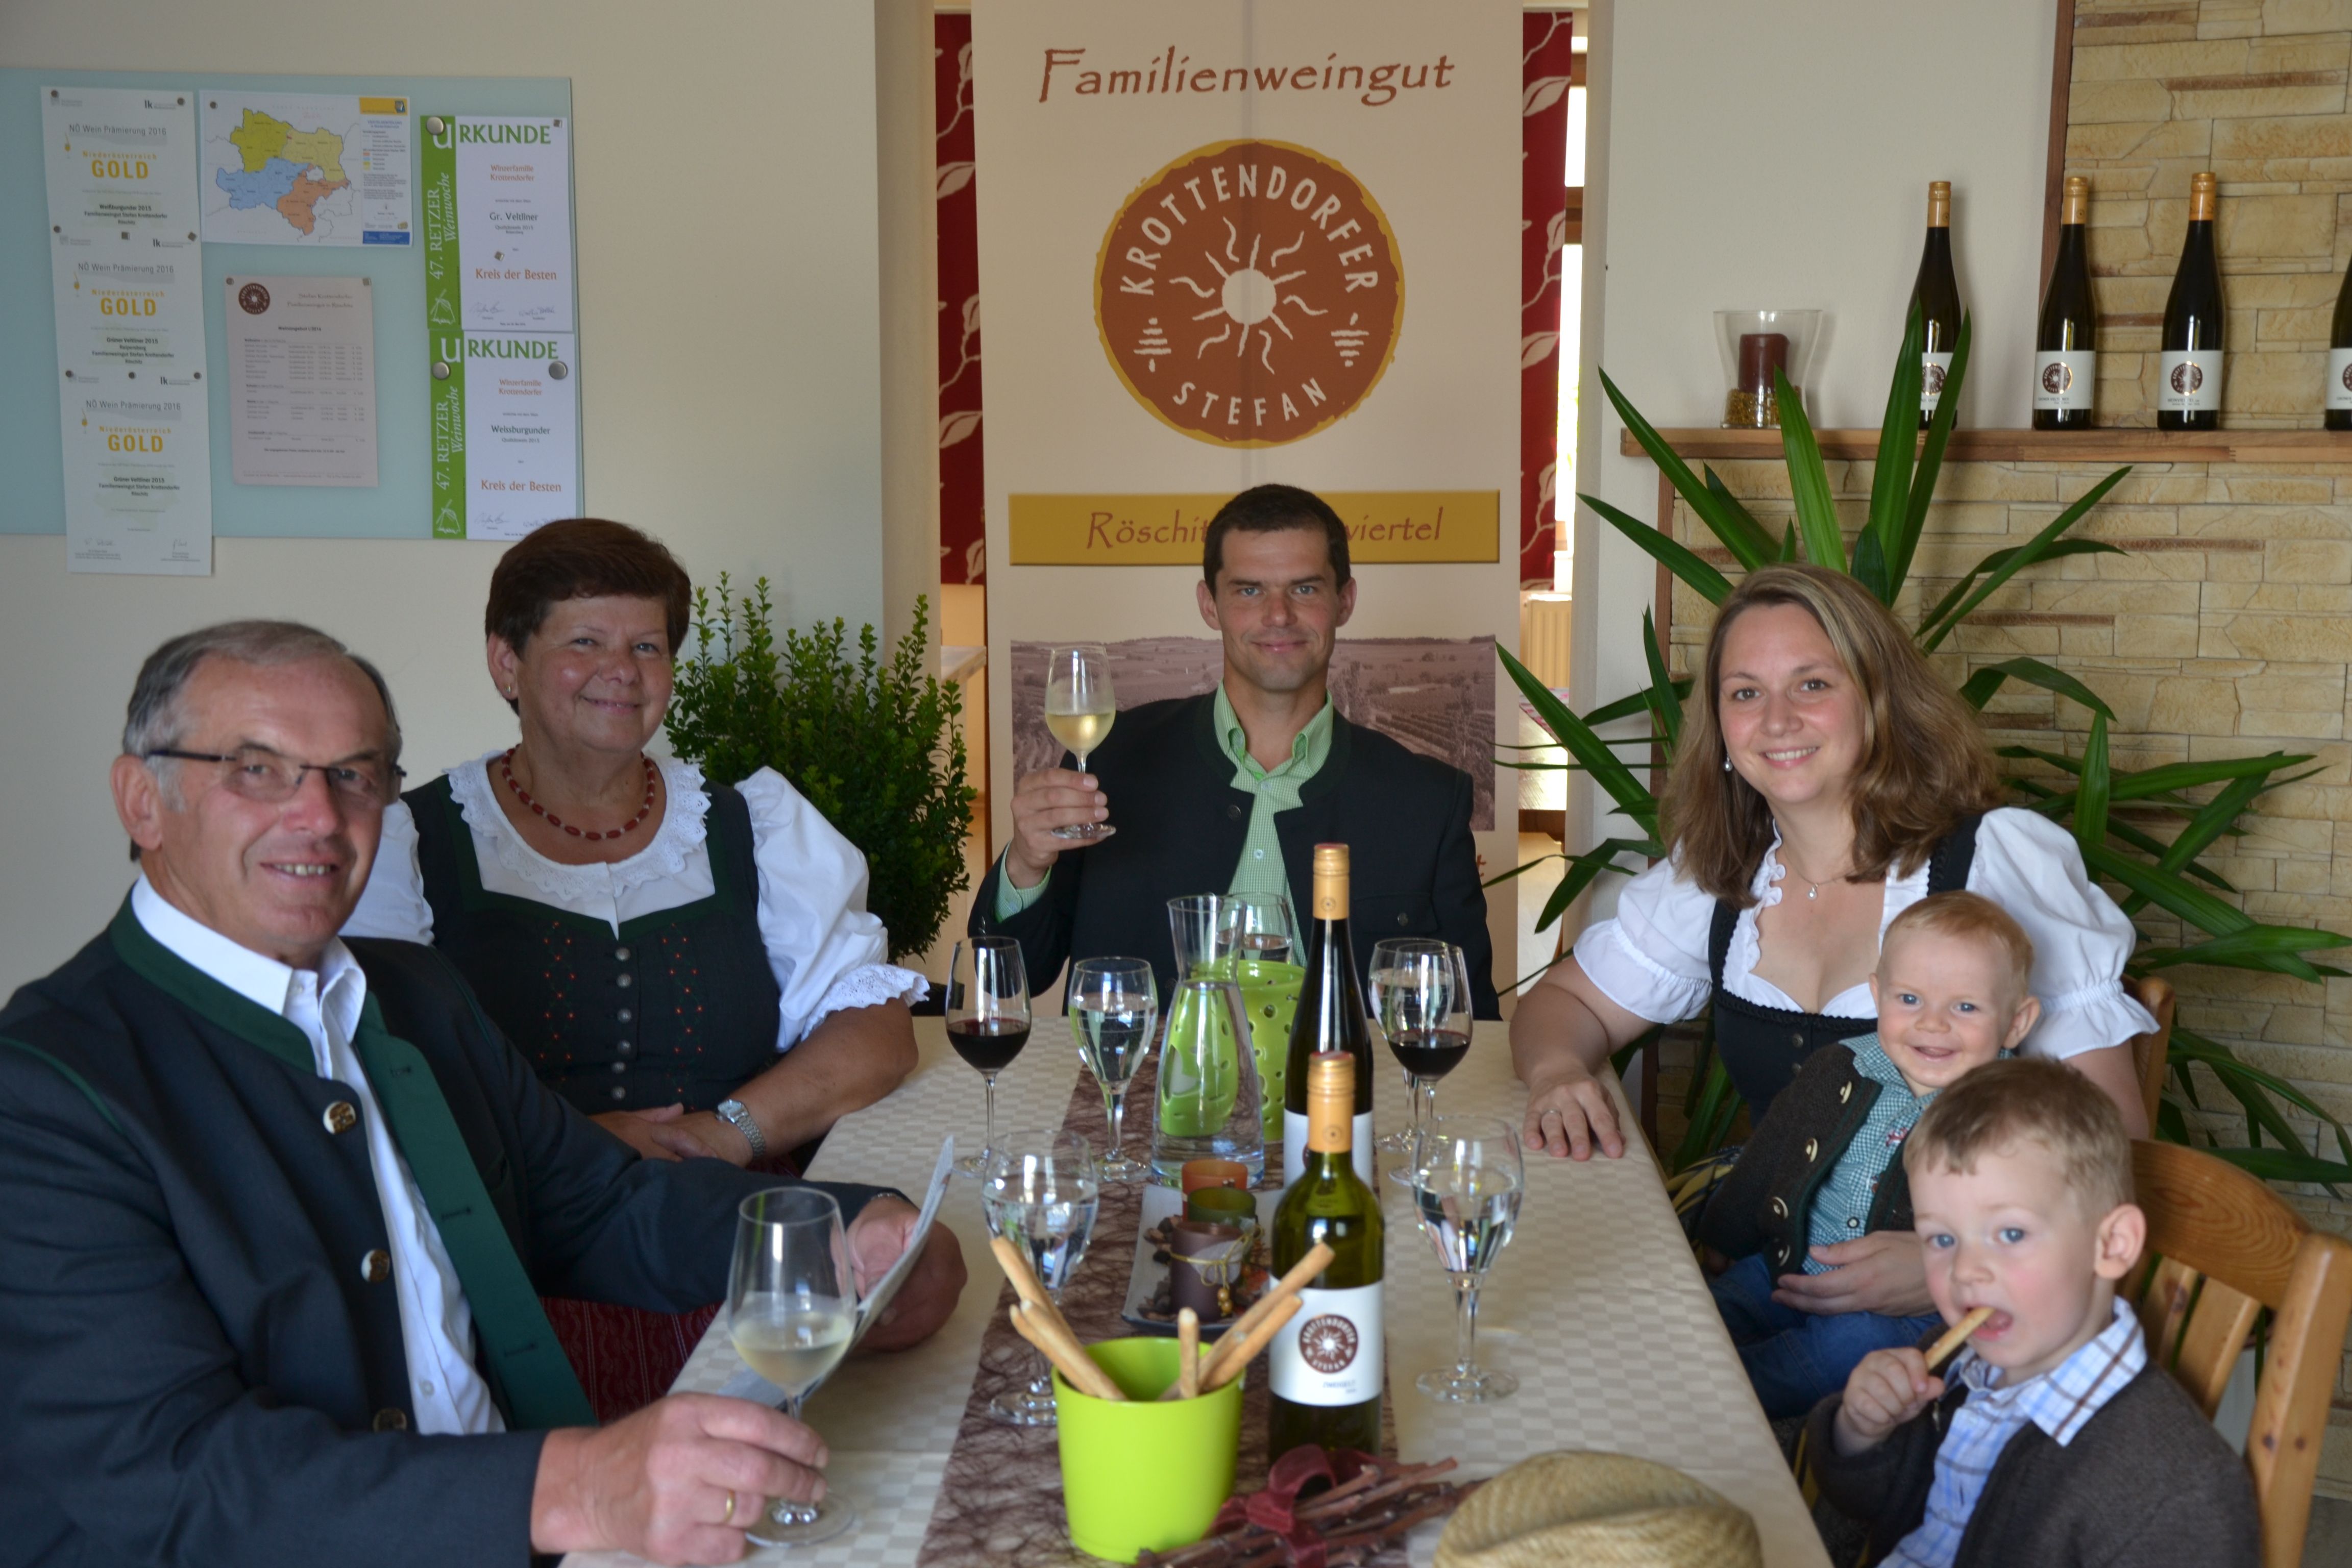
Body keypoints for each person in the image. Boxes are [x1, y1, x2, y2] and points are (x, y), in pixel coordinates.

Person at [0, 621, 966, 1568]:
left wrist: (838, 1240)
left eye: (355, 773)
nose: (319, 816)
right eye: (257, 769)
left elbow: (596, 1204)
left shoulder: (413, 995)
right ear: (143, 800)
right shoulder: (40, 1092)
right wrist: (578, 1487)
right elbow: (170, 1474)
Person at [343, 518, 925, 1415]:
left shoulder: (753, 825)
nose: (623, 670)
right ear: (507, 662)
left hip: (727, 1220)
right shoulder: (409, 843)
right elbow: (384, 1072)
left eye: (647, 646)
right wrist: (565, 1144)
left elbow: (877, 1033)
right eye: (585, 642)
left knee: (923, 1270)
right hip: (512, 1235)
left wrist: (727, 1129)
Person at [1511, 561, 2153, 1184]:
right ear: (1724, 731)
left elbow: (2116, 1139)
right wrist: (1558, 1071)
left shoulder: (1994, 863)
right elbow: (1565, 1003)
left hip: (1965, 1281)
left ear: (1879, 700)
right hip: (1765, 1268)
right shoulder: (1721, 875)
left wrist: (1945, 1247)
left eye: (1812, 684)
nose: (1777, 720)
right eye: (1745, 693)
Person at [973, 483, 1498, 1014]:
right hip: (1143, 1095)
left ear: (1345, 601)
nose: (1277, 615)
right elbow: (1013, 976)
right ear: (1209, 604)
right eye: (1249, 591)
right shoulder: (1111, 762)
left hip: (1341, 1096)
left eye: (1305, 590)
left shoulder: (1427, 802)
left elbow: (1474, 1020)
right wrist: (1026, 864)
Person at [1804, 1059, 2258, 1566]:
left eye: (2011, 1234)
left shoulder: (2177, 1488)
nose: (1967, 1271)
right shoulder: (1945, 1365)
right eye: (1942, 1239)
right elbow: (1874, 1504)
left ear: (2111, 1245)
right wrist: (1863, 1432)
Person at [1698, 892, 2039, 1417]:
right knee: (1720, 1307)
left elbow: (2028, 1231)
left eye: (1965, 1007)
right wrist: (1726, 1234)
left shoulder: (2013, 1118)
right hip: (1787, 1261)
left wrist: (1950, 1269)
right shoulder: (1840, 1066)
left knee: (1848, 1351)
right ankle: (1688, 1367)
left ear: (2017, 1022)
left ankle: (1727, 1401)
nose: (1932, 1023)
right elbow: (1773, 1150)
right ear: (1878, 995)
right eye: (1910, 1000)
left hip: (1896, 1310)